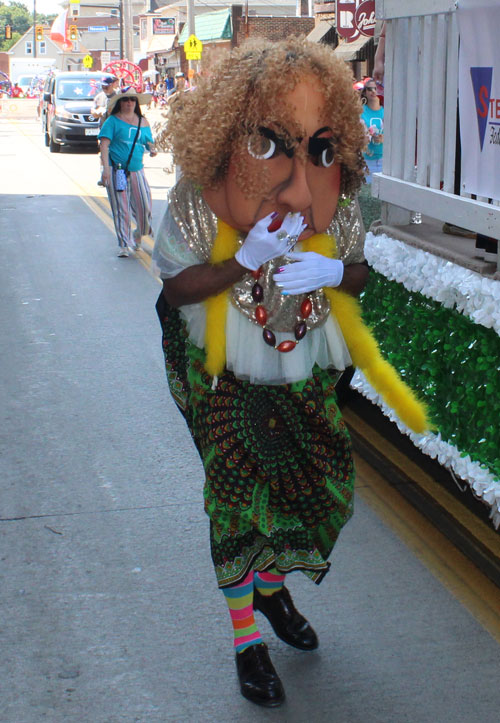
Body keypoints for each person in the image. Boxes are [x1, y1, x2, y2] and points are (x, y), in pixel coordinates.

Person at [153, 37, 429, 708]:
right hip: (226, 369)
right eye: (279, 130)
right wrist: (242, 260)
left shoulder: (341, 184)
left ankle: (272, 590)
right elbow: (177, 287)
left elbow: (361, 270)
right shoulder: (205, 188)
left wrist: (336, 270)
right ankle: (248, 638)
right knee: (235, 506)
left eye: (315, 130)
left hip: (304, 361)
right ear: (243, 118)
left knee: (317, 488)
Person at [98, 88, 157, 257]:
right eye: (125, 100)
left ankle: (139, 233)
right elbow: (104, 145)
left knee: (144, 207)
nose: (129, 103)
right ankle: (124, 244)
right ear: (120, 103)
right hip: (118, 172)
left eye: (132, 100)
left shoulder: (143, 121)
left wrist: (152, 149)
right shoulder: (112, 122)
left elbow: (148, 142)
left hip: (136, 171)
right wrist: (106, 169)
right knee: (121, 207)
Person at [92, 75, 119, 186]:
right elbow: (93, 111)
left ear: (112, 85)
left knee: (119, 154)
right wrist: (98, 112)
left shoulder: (118, 96)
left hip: (117, 131)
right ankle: (104, 176)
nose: (104, 88)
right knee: (103, 154)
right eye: (103, 86)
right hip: (103, 130)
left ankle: (119, 178)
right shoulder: (99, 97)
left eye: (106, 86)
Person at [360, 77, 384, 183]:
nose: (373, 91)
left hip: (384, 159)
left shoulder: (386, 111)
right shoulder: (361, 111)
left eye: (375, 88)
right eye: (370, 89)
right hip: (368, 160)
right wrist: (368, 136)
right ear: (365, 92)